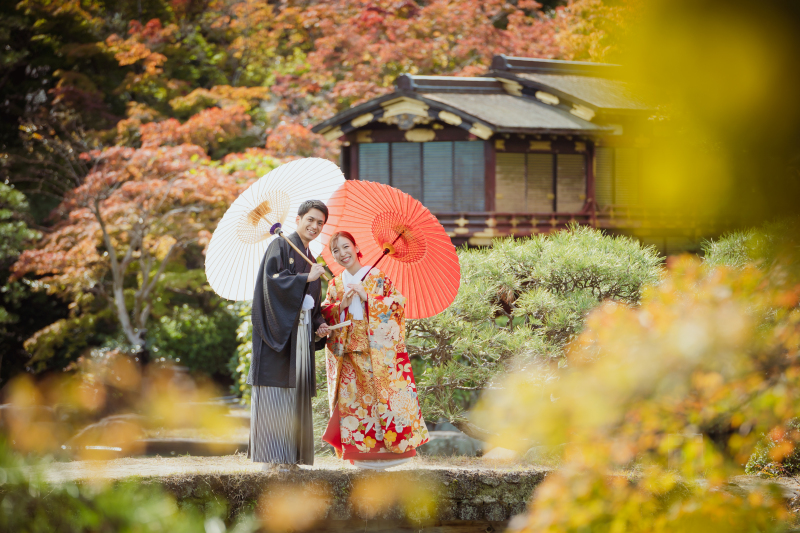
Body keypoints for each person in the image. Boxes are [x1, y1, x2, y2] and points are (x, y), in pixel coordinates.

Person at [321, 231, 429, 470]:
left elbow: (398, 306)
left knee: (382, 401)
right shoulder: (335, 284)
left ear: (356, 246)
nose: (342, 253)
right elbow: (325, 313)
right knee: (354, 405)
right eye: (335, 250)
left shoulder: (377, 276)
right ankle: (359, 454)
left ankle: (393, 454)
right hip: (347, 354)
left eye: (346, 246)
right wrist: (342, 305)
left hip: (376, 353)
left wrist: (368, 297)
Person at [247, 199, 331, 472]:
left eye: (320, 222)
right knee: (276, 394)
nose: (315, 226)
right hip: (277, 335)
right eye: (311, 219)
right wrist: (303, 280)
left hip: (300, 338)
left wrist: (319, 323)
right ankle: (273, 459)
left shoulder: (310, 258)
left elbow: (313, 305)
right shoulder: (280, 245)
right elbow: (269, 285)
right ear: (298, 219)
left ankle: (291, 458)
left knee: (296, 395)